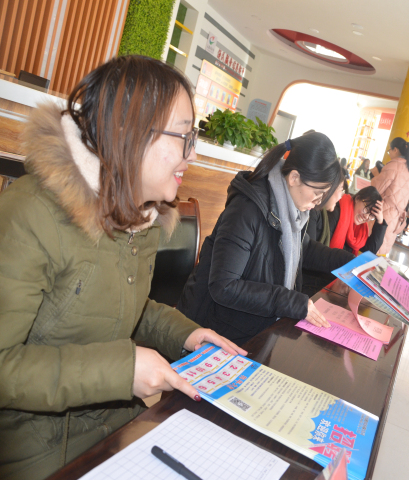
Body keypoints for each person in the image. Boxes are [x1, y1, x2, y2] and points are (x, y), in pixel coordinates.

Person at [0, 56, 245, 480]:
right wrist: (122, 370)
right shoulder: (31, 213)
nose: (192, 153)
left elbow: (122, 305)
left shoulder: (139, 216)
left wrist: (186, 334)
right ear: (129, 131)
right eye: (184, 136)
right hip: (33, 447)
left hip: (111, 424)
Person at [177, 133, 354, 345]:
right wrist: (289, 300)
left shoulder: (291, 210)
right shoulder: (247, 210)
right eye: (318, 193)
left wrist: (352, 263)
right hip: (219, 332)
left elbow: (304, 249)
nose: (319, 202)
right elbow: (224, 286)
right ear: (294, 178)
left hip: (256, 329)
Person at [371, 137, 409, 255]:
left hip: (383, 212)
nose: (389, 153)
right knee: (382, 248)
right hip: (395, 218)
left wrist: (375, 174)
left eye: (389, 150)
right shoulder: (408, 170)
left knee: (373, 245)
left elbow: (376, 189)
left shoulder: (393, 165)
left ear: (395, 150)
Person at [329, 186, 387, 254]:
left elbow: (371, 250)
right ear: (357, 198)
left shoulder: (361, 229)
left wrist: (380, 221)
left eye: (371, 215)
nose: (366, 217)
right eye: (367, 209)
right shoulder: (337, 213)